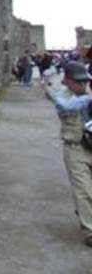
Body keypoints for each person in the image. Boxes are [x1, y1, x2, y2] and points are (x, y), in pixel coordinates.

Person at [43, 60, 92, 247]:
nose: (82, 85)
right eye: (78, 81)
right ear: (67, 81)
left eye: (84, 81)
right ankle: (90, 230)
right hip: (75, 148)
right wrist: (87, 99)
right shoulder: (62, 97)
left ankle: (85, 214)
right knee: (84, 190)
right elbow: (67, 107)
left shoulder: (88, 92)